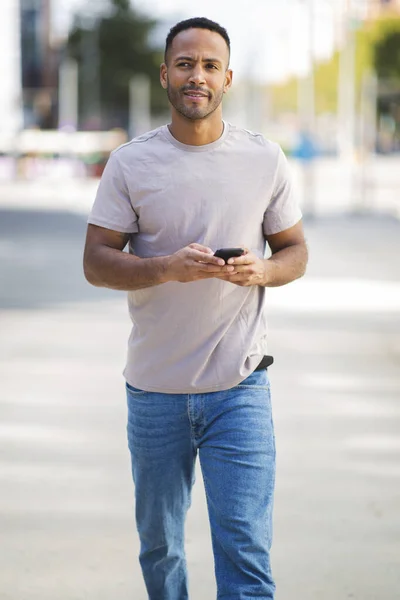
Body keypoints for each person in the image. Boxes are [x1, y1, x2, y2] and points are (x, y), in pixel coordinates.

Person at [83, 16, 308, 600]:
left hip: (240, 387)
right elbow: (96, 261)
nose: (197, 76)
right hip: (155, 390)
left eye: (210, 65)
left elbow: (294, 251)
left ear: (227, 77)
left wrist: (263, 270)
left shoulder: (265, 160)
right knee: (160, 548)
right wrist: (165, 267)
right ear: (165, 75)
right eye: (185, 64)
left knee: (246, 552)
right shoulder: (131, 163)